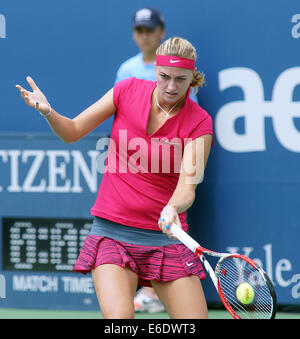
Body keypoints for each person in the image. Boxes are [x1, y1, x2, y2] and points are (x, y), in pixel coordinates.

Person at [16, 36, 213, 319]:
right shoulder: (127, 90)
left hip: (166, 238)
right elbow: (72, 131)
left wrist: (172, 207)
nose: (171, 86)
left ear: (192, 77)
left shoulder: (200, 122)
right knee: (120, 321)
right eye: (165, 76)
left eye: (180, 79)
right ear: (155, 70)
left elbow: (187, 189)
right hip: (113, 234)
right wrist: (49, 113)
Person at [115, 7, 199, 104]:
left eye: (149, 30)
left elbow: (191, 110)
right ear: (134, 34)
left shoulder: (178, 66)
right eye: (140, 31)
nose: (144, 37)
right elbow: (121, 109)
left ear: (162, 31)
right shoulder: (126, 70)